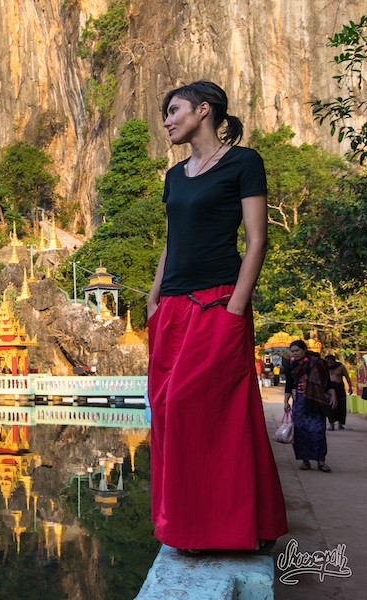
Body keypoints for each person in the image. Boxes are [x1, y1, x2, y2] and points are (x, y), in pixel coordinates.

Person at [147, 81, 287, 553]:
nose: (166, 120)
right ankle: (189, 528)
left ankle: (224, 527)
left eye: (173, 111)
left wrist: (236, 307)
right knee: (166, 410)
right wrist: (153, 296)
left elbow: (256, 239)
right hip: (172, 306)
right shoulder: (175, 176)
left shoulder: (243, 163)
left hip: (218, 300)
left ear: (204, 110)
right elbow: (172, 241)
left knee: (201, 407)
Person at [284, 340, 336, 471]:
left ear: (304, 350)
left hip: (316, 402)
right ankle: (305, 461)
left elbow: (327, 382)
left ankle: (321, 461)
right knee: (301, 433)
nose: (295, 354)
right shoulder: (291, 365)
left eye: (297, 351)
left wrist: (333, 394)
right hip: (299, 403)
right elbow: (289, 385)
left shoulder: (318, 363)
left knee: (318, 431)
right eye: (292, 351)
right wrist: (286, 401)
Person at [325, 354, 352, 430]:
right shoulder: (324, 367)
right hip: (329, 388)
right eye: (328, 363)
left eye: (331, 363)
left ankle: (340, 424)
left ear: (334, 361)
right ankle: (331, 424)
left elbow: (347, 377)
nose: (329, 364)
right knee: (330, 406)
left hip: (339, 387)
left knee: (341, 405)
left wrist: (350, 387)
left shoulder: (340, 367)